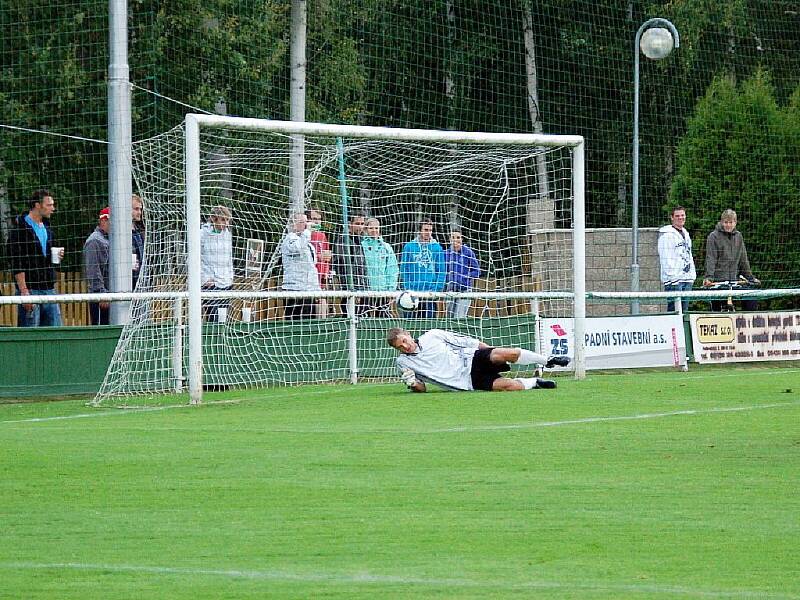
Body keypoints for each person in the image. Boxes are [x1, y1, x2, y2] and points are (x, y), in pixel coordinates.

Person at [387, 327, 569, 392]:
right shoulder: (403, 363)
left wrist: (489, 350)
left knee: (507, 354)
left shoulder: (432, 336)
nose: (404, 346)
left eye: (404, 341)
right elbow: (422, 388)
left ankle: (548, 360)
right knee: (508, 386)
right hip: (466, 381)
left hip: (471, 358)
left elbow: (465, 341)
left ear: (408, 334)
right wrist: (412, 384)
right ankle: (535, 382)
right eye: (399, 347)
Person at [6, 189, 63, 327]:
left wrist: (58, 257)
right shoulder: (19, 230)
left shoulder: (48, 228)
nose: (53, 209)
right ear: (38, 205)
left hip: (49, 289)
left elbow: (48, 256)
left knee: (55, 335)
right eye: (49, 205)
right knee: (31, 335)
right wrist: (24, 291)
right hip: (30, 290)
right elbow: (16, 262)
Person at [703, 208, 760, 312]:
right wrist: (709, 278)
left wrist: (750, 278)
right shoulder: (713, 237)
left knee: (751, 298)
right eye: (726, 222)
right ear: (721, 222)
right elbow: (711, 258)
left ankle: (746, 321)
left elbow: (743, 260)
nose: (728, 225)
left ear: (735, 223)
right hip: (718, 282)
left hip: (734, 281)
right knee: (720, 308)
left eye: (731, 222)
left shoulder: (739, 236)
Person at [400, 219, 446, 318]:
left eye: (430, 230)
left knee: (428, 325)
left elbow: (441, 270)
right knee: (410, 324)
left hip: (429, 293)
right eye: (425, 230)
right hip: (412, 293)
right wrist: (408, 288)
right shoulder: (409, 247)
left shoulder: (437, 248)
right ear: (420, 231)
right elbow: (404, 269)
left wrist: (436, 289)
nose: (428, 233)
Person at [281, 211, 321, 319]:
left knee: (308, 324)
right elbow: (298, 248)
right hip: (294, 289)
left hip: (308, 291)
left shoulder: (309, 245)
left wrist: (316, 289)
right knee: (294, 323)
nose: (306, 225)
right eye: (302, 222)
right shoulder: (290, 240)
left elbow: (312, 269)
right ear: (294, 224)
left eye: (306, 222)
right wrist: (307, 232)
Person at [657, 206, 696, 313]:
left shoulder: (685, 234)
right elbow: (665, 258)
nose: (680, 218)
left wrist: (692, 276)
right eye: (677, 216)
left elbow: (689, 254)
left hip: (687, 279)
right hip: (674, 281)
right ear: (672, 218)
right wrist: (673, 278)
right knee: (674, 313)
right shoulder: (666, 236)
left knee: (684, 312)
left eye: (682, 215)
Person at [200, 205, 234, 322]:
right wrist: (204, 279)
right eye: (223, 220)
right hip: (210, 285)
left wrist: (230, 277)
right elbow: (193, 259)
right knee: (214, 318)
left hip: (226, 284)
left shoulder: (227, 235)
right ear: (214, 219)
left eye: (227, 220)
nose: (226, 223)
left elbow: (229, 259)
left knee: (223, 320)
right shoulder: (202, 234)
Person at [361, 217, 399, 317]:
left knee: (382, 319)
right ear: (365, 230)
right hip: (366, 291)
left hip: (383, 290)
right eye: (371, 228)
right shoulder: (361, 246)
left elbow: (392, 270)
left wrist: (391, 290)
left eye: (376, 228)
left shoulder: (386, 247)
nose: (374, 231)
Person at [331, 213, 367, 317]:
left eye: (362, 223)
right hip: (350, 289)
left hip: (361, 288)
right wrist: (354, 288)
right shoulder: (343, 241)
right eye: (357, 223)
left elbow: (362, 266)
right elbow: (343, 267)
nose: (360, 226)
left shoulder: (360, 241)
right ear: (349, 224)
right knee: (350, 318)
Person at [84, 207, 111, 325]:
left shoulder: (111, 239)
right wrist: (101, 292)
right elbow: (93, 270)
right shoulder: (95, 241)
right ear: (104, 221)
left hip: (111, 294)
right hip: (101, 297)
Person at [444, 230, 480, 318]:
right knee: (449, 317)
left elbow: (477, 271)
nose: (456, 240)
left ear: (462, 239)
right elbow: (442, 271)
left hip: (464, 290)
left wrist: (466, 276)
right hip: (450, 290)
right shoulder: (446, 254)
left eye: (458, 237)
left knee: (459, 317)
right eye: (453, 237)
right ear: (450, 239)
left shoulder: (468, 252)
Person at [306, 208, 332, 317]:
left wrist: (326, 272)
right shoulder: (304, 236)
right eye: (314, 219)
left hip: (320, 280)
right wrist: (318, 257)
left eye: (319, 219)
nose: (316, 222)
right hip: (306, 281)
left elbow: (326, 257)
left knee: (322, 309)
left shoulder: (322, 236)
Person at [131, 194, 145, 290]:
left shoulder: (138, 232)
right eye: (136, 209)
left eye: (140, 209)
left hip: (139, 283)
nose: (139, 212)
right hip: (128, 283)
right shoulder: (118, 234)